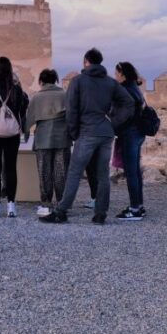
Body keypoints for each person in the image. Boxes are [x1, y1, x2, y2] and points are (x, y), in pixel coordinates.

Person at [39, 48, 134, 225]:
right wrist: (113, 122)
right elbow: (129, 103)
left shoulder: (78, 81)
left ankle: (61, 212)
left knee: (74, 173)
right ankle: (100, 214)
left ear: (86, 62)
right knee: (102, 174)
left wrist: (74, 133)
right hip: (106, 133)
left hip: (87, 132)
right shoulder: (110, 83)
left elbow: (72, 110)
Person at [0, 57, 29, 218]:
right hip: (12, 133)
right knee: (11, 169)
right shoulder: (16, 90)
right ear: (10, 71)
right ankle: (11, 206)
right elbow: (23, 109)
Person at [24, 68, 70, 216]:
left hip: (43, 139)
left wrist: (25, 134)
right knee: (61, 172)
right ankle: (62, 203)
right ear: (55, 80)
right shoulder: (64, 95)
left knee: (44, 172)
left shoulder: (36, 97)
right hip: (62, 138)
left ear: (41, 81)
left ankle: (46, 203)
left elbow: (29, 119)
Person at [114, 61, 147, 220]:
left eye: (116, 73)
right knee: (135, 171)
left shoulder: (126, 90)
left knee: (131, 172)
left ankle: (134, 209)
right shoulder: (136, 88)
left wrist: (114, 124)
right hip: (139, 133)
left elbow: (126, 112)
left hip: (130, 134)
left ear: (123, 74)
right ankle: (138, 205)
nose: (115, 76)